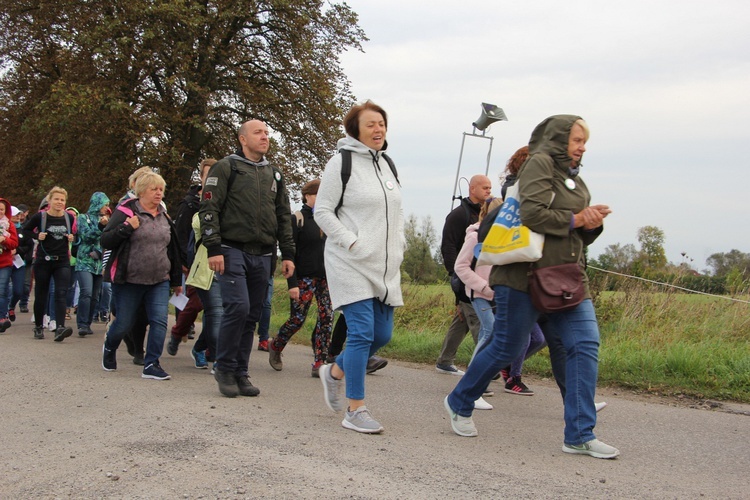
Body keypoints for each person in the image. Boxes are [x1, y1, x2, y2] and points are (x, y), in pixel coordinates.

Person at [443, 115, 619, 459]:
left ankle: (580, 434)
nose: (582, 146)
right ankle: (460, 399)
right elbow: (534, 215)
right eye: (576, 139)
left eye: (585, 141)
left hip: (567, 278)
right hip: (523, 278)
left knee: (584, 345)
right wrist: (576, 219)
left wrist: (590, 223)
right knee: (506, 347)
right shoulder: (538, 165)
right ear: (557, 139)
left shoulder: (574, 181)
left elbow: (574, 231)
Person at [315, 100, 404, 434]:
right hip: (348, 261)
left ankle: (335, 371)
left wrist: (400, 246)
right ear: (355, 129)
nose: (378, 129)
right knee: (362, 332)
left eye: (381, 123)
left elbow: (395, 214)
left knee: (382, 334)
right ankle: (355, 410)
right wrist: (351, 241)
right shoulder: (342, 162)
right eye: (371, 124)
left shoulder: (388, 165)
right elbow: (321, 211)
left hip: (383, 266)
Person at [199, 119, 295, 398]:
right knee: (237, 308)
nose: (265, 137)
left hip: (263, 253)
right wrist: (213, 247)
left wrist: (287, 253)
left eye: (267, 132)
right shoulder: (226, 167)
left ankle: (241, 372)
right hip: (231, 249)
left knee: (252, 315)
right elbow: (209, 207)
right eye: (258, 133)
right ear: (243, 139)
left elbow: (283, 216)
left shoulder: (274, 174)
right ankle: (224, 368)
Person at [100, 170, 183, 380]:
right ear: (141, 191)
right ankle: (110, 347)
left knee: (159, 321)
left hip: (159, 280)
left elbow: (171, 250)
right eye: (154, 189)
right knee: (124, 323)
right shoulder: (126, 211)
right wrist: (127, 228)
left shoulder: (164, 215)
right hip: (129, 280)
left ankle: (152, 364)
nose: (158, 193)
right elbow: (106, 240)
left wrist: (175, 281)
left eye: (161, 190)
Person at [269, 179, 333, 377]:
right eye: (317, 195)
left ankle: (319, 362)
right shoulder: (297, 219)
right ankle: (277, 345)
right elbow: (290, 255)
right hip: (303, 279)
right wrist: (292, 283)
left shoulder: (328, 220)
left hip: (326, 279)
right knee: (297, 319)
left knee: (327, 318)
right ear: (307, 196)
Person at [435, 174, 491, 375]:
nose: (488, 191)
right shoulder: (459, 215)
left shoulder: (485, 215)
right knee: (478, 320)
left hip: (480, 275)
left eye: (490, 188)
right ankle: (483, 368)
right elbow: (448, 246)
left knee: (462, 318)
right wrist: (454, 275)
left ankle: (444, 360)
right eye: (484, 188)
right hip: (464, 276)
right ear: (472, 189)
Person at [167, 159, 217, 356]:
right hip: (196, 261)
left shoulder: (226, 199)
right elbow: (180, 233)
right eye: (208, 175)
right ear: (202, 177)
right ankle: (178, 332)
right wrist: (182, 262)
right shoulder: (191, 204)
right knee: (195, 304)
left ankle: (206, 349)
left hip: (220, 263)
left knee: (216, 310)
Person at [22, 187, 76, 341]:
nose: (59, 202)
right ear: (49, 200)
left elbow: (74, 234)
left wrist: (72, 237)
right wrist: (37, 235)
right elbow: (25, 231)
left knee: (60, 293)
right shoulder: (41, 217)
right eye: (57, 199)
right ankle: (39, 327)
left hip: (62, 260)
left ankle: (59, 327)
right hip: (43, 261)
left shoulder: (69, 218)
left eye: (62, 200)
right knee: (41, 294)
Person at [74, 192, 110, 336]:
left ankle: (88, 323)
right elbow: (86, 237)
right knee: (86, 292)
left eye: (108, 205)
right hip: (84, 260)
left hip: (99, 262)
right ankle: (81, 324)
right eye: (104, 205)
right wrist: (100, 227)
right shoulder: (83, 218)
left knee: (95, 295)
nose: (106, 208)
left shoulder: (107, 219)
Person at [0, 198, 19, 333]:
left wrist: (4, 240)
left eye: (1, 209)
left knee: (2, 290)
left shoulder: (9, 225)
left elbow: (14, 243)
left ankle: (2, 318)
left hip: (4, 263)